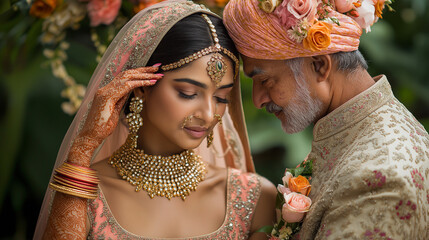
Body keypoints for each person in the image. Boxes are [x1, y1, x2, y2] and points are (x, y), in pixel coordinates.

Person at [33, 1, 277, 239]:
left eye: (222, 98)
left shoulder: (253, 198)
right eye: (188, 94)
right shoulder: (87, 192)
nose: (208, 113)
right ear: (141, 87)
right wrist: (84, 145)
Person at [223, 0, 429, 239]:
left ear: (320, 65)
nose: (258, 99)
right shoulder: (356, 131)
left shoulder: (377, 180)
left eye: (264, 80)